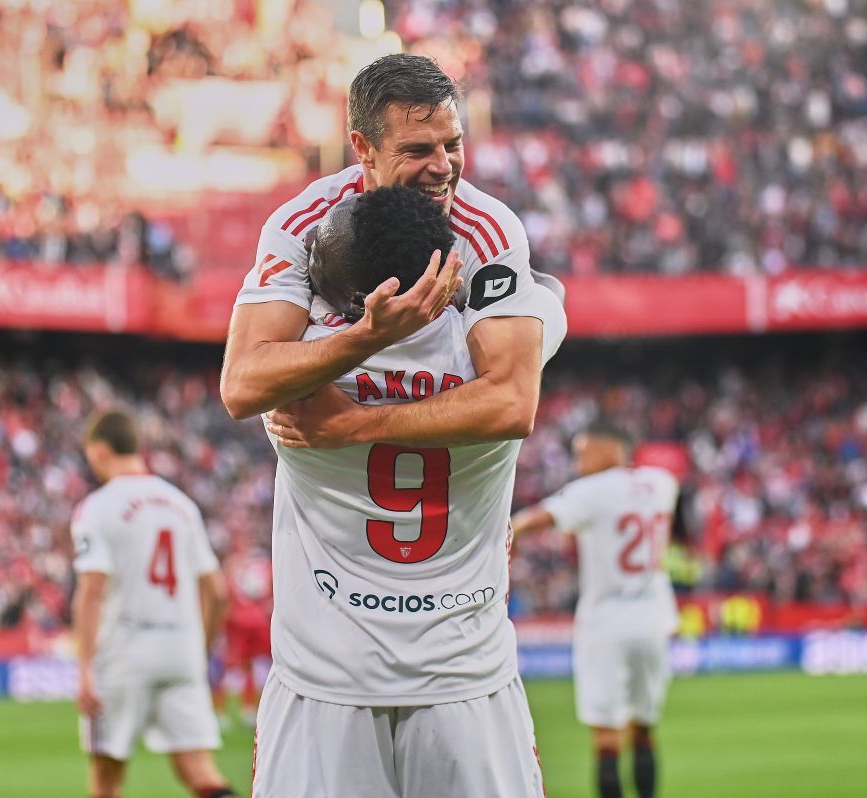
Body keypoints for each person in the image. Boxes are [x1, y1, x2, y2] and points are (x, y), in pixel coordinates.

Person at [250, 185, 566, 797]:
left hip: (324, 683)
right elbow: (551, 295)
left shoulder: (299, 375)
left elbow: (243, 374)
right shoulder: (492, 376)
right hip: (466, 680)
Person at [221, 52, 564, 451]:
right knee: (547, 296)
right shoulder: (303, 225)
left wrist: (357, 425)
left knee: (544, 297)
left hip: (448, 506)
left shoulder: (489, 229)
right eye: (418, 151)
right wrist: (371, 336)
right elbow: (241, 387)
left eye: (452, 145)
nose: (443, 167)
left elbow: (513, 406)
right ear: (363, 147)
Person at [71, 409, 239, 798]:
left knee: (107, 780)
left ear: (97, 451)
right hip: (180, 652)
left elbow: (92, 590)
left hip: (125, 653)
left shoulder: (97, 507)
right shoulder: (181, 504)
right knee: (201, 774)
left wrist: (83, 669)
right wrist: (198, 651)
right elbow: (217, 592)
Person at [511, 424, 681, 798]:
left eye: (583, 451)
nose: (577, 461)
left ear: (609, 451)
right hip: (655, 618)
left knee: (606, 738)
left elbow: (532, 520)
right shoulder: (663, 483)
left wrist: (510, 536)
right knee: (644, 728)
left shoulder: (590, 493)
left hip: (606, 621)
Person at [213, 539, 274, 727]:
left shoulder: (232, 568)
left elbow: (224, 595)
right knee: (254, 665)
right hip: (258, 619)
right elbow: (269, 594)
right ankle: (249, 708)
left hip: (236, 620)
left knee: (224, 665)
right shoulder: (266, 568)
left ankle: (220, 711)